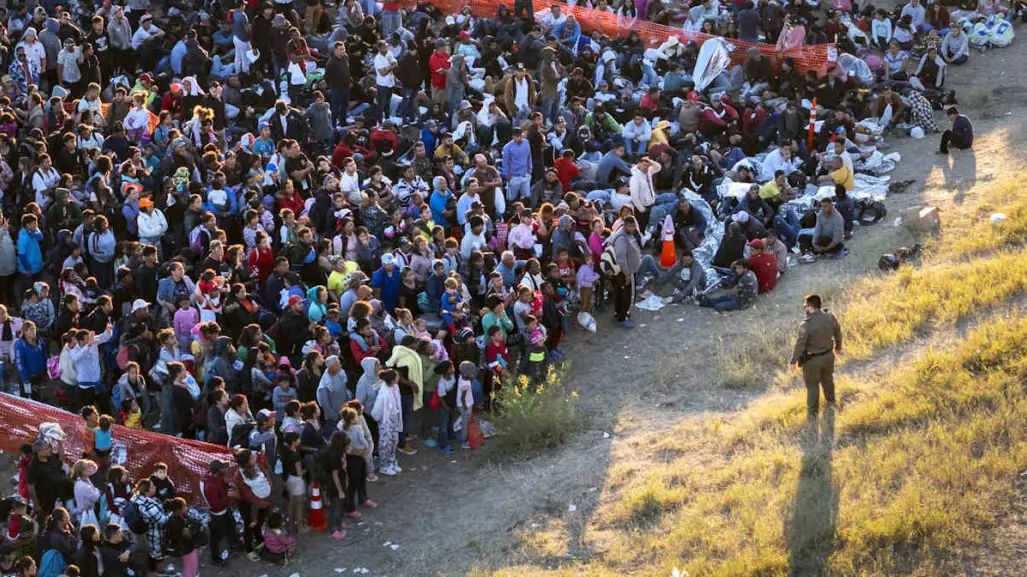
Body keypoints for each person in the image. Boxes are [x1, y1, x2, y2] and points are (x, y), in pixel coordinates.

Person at [790, 293, 842, 415]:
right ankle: (831, 402)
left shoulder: (806, 325)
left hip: (812, 361)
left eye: (805, 306)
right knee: (828, 380)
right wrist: (838, 347)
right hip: (829, 356)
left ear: (810, 307)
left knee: (812, 386)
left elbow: (800, 345)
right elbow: (838, 332)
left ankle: (813, 413)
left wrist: (793, 361)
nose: (804, 309)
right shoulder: (829, 317)